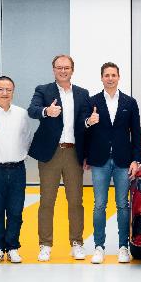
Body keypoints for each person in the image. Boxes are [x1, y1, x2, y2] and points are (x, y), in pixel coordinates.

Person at [28, 54, 92, 262]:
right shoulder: (43, 90)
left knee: (76, 202)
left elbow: (84, 123)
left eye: (66, 67)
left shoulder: (82, 93)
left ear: (72, 70)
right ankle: (45, 245)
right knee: (47, 201)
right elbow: (32, 110)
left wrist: (89, 124)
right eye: (59, 67)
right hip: (51, 153)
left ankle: (77, 243)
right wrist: (47, 111)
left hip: (74, 153)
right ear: (53, 69)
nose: (63, 71)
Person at [81, 62, 141, 265]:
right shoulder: (92, 101)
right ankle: (99, 247)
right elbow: (84, 131)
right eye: (106, 75)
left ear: (118, 77)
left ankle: (123, 247)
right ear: (101, 78)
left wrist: (136, 159)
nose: (110, 78)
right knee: (99, 205)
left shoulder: (129, 102)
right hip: (99, 160)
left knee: (123, 205)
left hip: (123, 161)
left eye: (113, 75)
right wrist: (89, 123)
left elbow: (136, 133)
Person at [0, 76, 35, 264]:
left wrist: (21, 155)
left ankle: (12, 247)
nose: (4, 93)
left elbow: (27, 137)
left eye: (8, 90)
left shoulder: (21, 113)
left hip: (17, 169)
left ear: (13, 92)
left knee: (16, 211)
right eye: (0, 89)